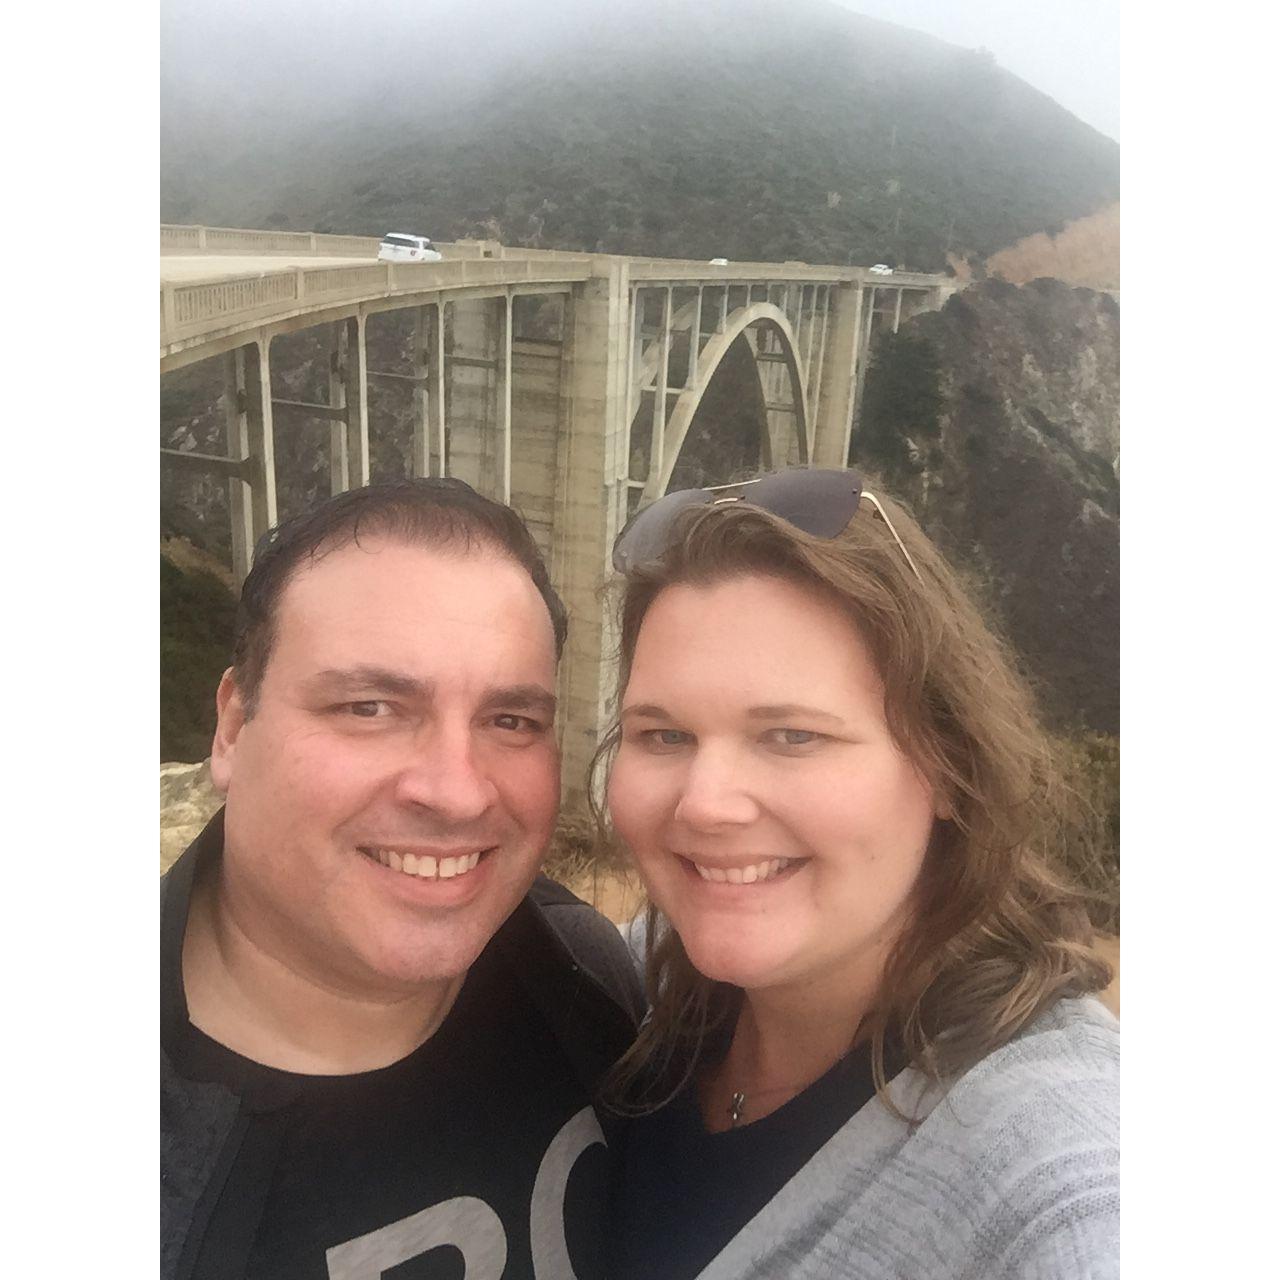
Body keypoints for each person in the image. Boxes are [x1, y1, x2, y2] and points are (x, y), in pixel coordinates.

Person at [600, 468, 1119, 1280]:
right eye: (663, 736)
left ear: (947, 765)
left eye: (792, 736)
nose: (705, 805)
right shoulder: (628, 996)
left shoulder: (1051, 1147)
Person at [161, 478, 642, 1280]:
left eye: (510, 721)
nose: (456, 791)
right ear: (234, 726)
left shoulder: (586, 976)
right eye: (370, 707)